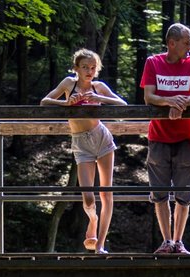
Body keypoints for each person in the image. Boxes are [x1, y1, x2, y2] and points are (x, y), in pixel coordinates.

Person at [41, 48, 127, 255]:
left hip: (102, 139)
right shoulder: (68, 84)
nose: (89, 71)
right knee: (88, 197)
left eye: (92, 68)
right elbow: (44, 102)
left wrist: (100, 99)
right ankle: (93, 220)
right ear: (76, 68)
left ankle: (100, 245)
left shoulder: (98, 86)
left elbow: (123, 105)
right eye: (85, 67)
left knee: (106, 194)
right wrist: (66, 103)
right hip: (81, 143)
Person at [141, 23, 190, 255]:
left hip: (186, 135)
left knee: (184, 193)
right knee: (159, 193)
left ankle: (179, 242)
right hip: (158, 135)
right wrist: (170, 102)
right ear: (172, 43)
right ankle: (166, 241)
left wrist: (182, 102)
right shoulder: (153, 62)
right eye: (187, 42)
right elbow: (149, 96)